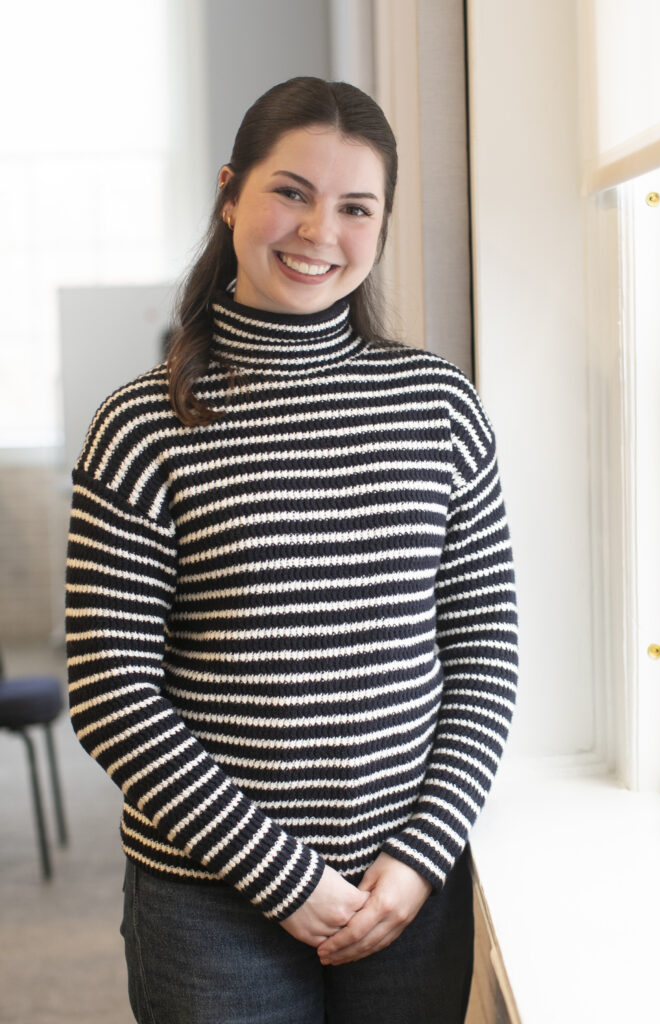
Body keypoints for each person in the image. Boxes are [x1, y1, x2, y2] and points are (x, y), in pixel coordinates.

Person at [65, 76, 518, 1024]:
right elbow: (111, 689)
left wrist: (424, 851)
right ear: (231, 192)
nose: (319, 232)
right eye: (290, 192)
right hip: (209, 901)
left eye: (356, 207)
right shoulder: (144, 425)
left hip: (406, 893)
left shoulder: (439, 407)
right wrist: (285, 879)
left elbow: (483, 649)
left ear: (381, 224)